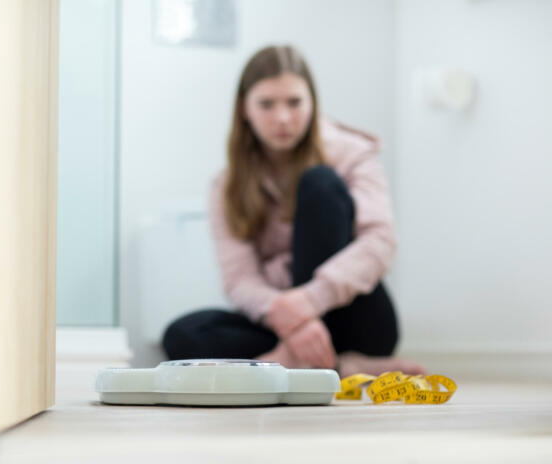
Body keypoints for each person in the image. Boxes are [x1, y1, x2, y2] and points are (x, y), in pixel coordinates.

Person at [161, 45, 426, 378]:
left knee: (320, 182)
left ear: (313, 103)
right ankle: (339, 367)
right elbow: (239, 278)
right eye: (267, 104)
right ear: (245, 109)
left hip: (353, 320)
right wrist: (287, 317)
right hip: (283, 322)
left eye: (294, 102)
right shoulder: (226, 184)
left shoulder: (353, 154)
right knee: (182, 336)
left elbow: (381, 241)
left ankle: (281, 364)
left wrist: (310, 301)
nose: (283, 118)